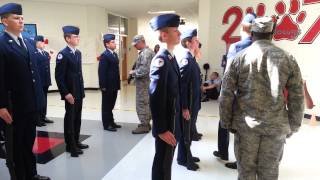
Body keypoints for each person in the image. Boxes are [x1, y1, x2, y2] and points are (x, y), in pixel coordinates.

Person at [219, 16, 304, 180]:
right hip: (275, 128)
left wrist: (226, 122)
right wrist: (294, 125)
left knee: (245, 172)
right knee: (269, 173)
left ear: (252, 33)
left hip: (246, 128)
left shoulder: (239, 58)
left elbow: (226, 94)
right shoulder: (288, 59)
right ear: (272, 34)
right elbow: (297, 96)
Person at [0, 3, 50, 179]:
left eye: (22, 18)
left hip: (30, 104)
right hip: (13, 106)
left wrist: (38, 101)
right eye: (16, 18)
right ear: (4, 21)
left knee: (29, 143)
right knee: (16, 146)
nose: (21, 21)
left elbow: (33, 74)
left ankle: (32, 173)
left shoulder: (28, 43)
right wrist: (1, 106)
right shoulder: (2, 44)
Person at [213, 13, 256, 170]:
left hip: (236, 95)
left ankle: (224, 152)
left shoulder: (237, 46)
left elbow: (228, 74)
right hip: (254, 96)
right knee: (248, 128)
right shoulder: (261, 47)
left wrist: (223, 94)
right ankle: (245, 161)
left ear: (243, 27)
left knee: (224, 122)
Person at [149, 13, 182, 180]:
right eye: (175, 30)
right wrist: (160, 129)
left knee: (166, 161)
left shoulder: (171, 57)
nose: (179, 34)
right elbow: (155, 96)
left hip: (171, 119)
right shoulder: (160, 60)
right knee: (162, 162)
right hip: (165, 124)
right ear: (164, 35)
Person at [55, 25, 88, 157]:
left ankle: (76, 141)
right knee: (70, 119)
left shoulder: (77, 53)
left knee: (77, 118)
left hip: (78, 91)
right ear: (68, 39)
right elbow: (59, 76)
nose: (78, 38)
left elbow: (78, 74)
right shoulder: (63, 55)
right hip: (70, 93)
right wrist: (66, 93)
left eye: (78, 36)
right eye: (75, 36)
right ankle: (70, 145)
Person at [176, 28, 201, 171]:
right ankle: (184, 159)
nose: (198, 42)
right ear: (188, 43)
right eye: (195, 40)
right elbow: (182, 86)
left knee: (190, 132)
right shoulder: (186, 60)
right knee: (186, 132)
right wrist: (184, 107)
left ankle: (184, 155)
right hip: (188, 105)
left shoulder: (192, 59)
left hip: (194, 103)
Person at [130, 35, 154, 134]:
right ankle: (146, 123)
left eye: (136, 44)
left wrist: (133, 72)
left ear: (141, 42)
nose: (135, 46)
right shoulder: (148, 52)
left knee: (142, 104)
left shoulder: (145, 54)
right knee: (146, 103)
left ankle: (144, 125)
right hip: (146, 84)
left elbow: (144, 70)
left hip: (144, 84)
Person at [98, 33, 122, 132]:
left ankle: (111, 121)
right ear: (107, 44)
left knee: (111, 104)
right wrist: (103, 85)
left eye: (114, 41)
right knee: (106, 106)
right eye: (112, 42)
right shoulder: (104, 56)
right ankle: (106, 124)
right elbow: (101, 72)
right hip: (107, 85)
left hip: (114, 84)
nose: (114, 43)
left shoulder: (114, 54)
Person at [34, 35, 54, 127]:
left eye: (43, 42)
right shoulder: (34, 54)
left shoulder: (45, 54)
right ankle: (37, 119)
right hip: (39, 81)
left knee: (45, 99)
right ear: (36, 43)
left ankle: (43, 116)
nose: (43, 44)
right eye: (41, 42)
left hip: (45, 81)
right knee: (38, 100)